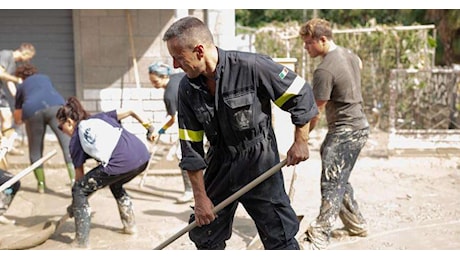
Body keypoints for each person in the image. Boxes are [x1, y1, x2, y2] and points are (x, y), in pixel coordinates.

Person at [162, 16, 318, 250]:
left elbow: (300, 93)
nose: (175, 66)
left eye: (178, 58)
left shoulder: (252, 67)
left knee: (280, 236)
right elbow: (190, 148)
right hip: (220, 163)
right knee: (205, 234)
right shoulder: (187, 89)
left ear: (199, 50)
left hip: (259, 163)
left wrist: (301, 141)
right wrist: (200, 198)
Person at [298, 18, 370, 250]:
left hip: (346, 130)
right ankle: (356, 224)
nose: (306, 48)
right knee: (339, 178)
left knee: (330, 181)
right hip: (359, 126)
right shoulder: (350, 55)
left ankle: (319, 234)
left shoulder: (324, 69)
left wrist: (302, 138)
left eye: (309, 43)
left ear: (323, 40)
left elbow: (316, 109)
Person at [56, 96, 153, 248]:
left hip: (122, 162)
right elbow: (132, 110)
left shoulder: (75, 140)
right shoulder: (100, 117)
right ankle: (130, 226)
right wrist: (149, 127)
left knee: (79, 190)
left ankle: (81, 242)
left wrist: (77, 202)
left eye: (60, 127)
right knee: (115, 183)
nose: (62, 132)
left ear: (69, 121)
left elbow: (80, 179)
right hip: (142, 156)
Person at [13, 63, 75, 193]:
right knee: (67, 144)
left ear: (20, 76)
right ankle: (75, 181)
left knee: (35, 149)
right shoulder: (45, 78)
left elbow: (18, 112)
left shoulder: (21, 86)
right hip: (55, 107)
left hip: (32, 111)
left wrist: (19, 121)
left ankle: (41, 185)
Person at [147, 61, 193, 204]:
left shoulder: (169, 94)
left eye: (155, 81)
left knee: (182, 155)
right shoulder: (178, 76)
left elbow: (172, 119)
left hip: (192, 124)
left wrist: (160, 131)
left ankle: (190, 190)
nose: (153, 84)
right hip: (199, 117)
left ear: (163, 76)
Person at [0, 43, 36, 156]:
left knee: (7, 116)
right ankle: (5, 145)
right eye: (29, 57)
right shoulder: (6, 54)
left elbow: (9, 81)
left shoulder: (13, 65)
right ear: (25, 53)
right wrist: (17, 79)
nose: (28, 60)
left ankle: (7, 145)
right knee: (6, 116)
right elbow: (1, 73)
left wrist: (18, 97)